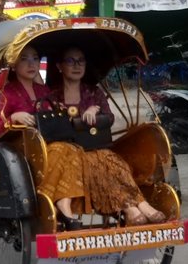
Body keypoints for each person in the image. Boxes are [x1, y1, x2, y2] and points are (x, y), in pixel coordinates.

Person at [43, 46, 166, 226]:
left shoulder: (94, 93)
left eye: (81, 61)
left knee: (111, 159)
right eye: (70, 61)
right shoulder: (52, 97)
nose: (77, 65)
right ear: (60, 66)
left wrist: (96, 110)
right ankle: (130, 208)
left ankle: (141, 205)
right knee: (96, 161)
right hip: (67, 152)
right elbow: (50, 126)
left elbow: (109, 118)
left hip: (94, 146)